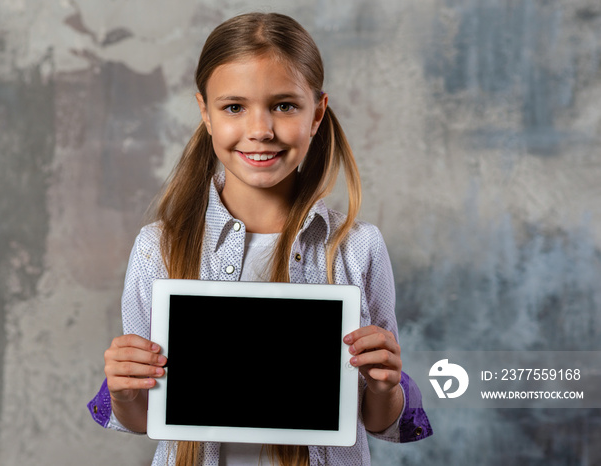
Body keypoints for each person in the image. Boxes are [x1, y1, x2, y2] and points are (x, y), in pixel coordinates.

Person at [88, 12, 432, 466]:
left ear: (317, 113)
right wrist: (125, 388)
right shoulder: (158, 248)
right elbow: (144, 415)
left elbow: (376, 417)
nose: (261, 130)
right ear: (205, 114)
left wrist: (387, 382)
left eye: (285, 105)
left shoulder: (357, 247)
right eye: (234, 107)